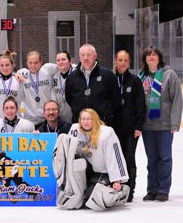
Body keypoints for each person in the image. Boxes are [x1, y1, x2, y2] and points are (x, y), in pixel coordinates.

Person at [53, 108, 129, 211]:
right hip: (87, 170)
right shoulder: (75, 130)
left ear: (95, 119)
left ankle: (120, 192)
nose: (86, 122)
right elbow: (69, 151)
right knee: (82, 196)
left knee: (92, 198)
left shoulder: (106, 133)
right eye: (83, 119)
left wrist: (117, 180)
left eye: (89, 119)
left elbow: (115, 156)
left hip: (103, 172)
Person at [138, 46, 182, 202]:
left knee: (164, 158)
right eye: (148, 55)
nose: (151, 57)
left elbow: (177, 100)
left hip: (164, 124)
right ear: (144, 58)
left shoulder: (169, 75)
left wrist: (175, 123)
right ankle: (151, 189)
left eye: (154, 54)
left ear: (159, 57)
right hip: (147, 125)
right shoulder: (141, 77)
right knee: (151, 159)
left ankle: (163, 189)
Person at [112, 50, 146, 202]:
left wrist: (139, 126)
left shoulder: (135, 80)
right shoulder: (111, 79)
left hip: (131, 129)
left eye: (126, 60)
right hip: (115, 128)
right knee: (116, 159)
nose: (123, 63)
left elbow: (140, 105)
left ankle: (130, 190)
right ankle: (117, 188)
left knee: (129, 158)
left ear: (129, 62)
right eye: (120, 60)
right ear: (116, 61)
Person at [65, 43, 120, 126]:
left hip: (101, 122)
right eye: (82, 55)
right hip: (80, 122)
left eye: (89, 55)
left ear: (95, 56)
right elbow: (69, 98)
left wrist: (106, 114)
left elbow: (116, 98)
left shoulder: (107, 75)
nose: (85, 58)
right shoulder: (72, 77)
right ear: (79, 57)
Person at [17, 50, 58, 128]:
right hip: (30, 119)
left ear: (40, 62)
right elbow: (11, 75)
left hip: (47, 118)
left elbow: (62, 66)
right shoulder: (23, 74)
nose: (33, 65)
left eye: (36, 62)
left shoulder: (47, 69)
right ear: (27, 63)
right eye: (30, 63)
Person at [0, 50, 23, 121]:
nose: (4, 68)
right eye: (2, 65)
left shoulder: (18, 80)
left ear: (12, 65)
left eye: (7, 65)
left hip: (14, 120)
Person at [51, 51, 74, 123]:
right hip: (61, 118)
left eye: (63, 59)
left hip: (75, 115)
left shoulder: (76, 75)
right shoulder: (54, 77)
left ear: (70, 61)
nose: (61, 62)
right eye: (58, 60)